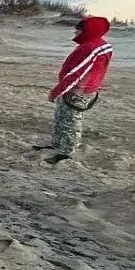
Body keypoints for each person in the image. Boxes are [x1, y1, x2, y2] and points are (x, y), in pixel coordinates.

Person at [38, 16, 113, 164]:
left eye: (78, 30)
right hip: (79, 90)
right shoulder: (100, 45)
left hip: (78, 91)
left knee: (71, 121)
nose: (75, 33)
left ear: (87, 31)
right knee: (61, 117)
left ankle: (67, 152)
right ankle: (57, 144)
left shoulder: (90, 49)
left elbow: (76, 74)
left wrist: (56, 92)